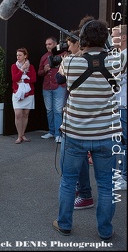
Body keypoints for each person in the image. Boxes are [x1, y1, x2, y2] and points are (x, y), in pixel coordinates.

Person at [52, 17, 123, 242]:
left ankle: (64, 224)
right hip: (106, 135)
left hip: (75, 135)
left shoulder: (70, 62)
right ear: (106, 39)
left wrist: (79, 52)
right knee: (106, 184)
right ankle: (105, 230)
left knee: (68, 181)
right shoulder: (117, 62)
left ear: (82, 40)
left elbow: (58, 78)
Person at [58, 30, 94, 209]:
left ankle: (83, 195)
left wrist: (65, 62)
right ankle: (84, 191)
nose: (67, 47)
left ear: (78, 44)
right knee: (101, 179)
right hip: (93, 124)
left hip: (76, 124)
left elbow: (58, 79)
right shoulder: (104, 61)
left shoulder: (71, 62)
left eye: (70, 43)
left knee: (68, 169)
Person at [38, 36, 67, 143]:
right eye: (46, 44)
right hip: (46, 87)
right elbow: (39, 72)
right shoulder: (44, 57)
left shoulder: (62, 55)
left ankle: (58, 134)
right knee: (49, 110)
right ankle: (51, 131)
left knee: (58, 110)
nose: (48, 46)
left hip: (59, 86)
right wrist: (44, 70)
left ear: (55, 44)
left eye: (49, 44)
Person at [111, 24, 127, 191]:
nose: (111, 39)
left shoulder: (123, 56)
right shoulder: (120, 55)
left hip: (123, 104)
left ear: (123, 37)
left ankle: (123, 176)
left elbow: (115, 80)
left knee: (123, 142)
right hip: (121, 103)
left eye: (114, 35)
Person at [11, 48, 36, 144]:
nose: (18, 57)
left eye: (20, 55)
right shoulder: (14, 66)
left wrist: (23, 80)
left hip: (29, 94)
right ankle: (19, 136)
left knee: (25, 115)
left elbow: (33, 79)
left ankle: (22, 134)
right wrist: (22, 70)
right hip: (17, 93)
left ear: (25, 56)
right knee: (18, 114)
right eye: (17, 55)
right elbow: (14, 78)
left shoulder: (31, 67)